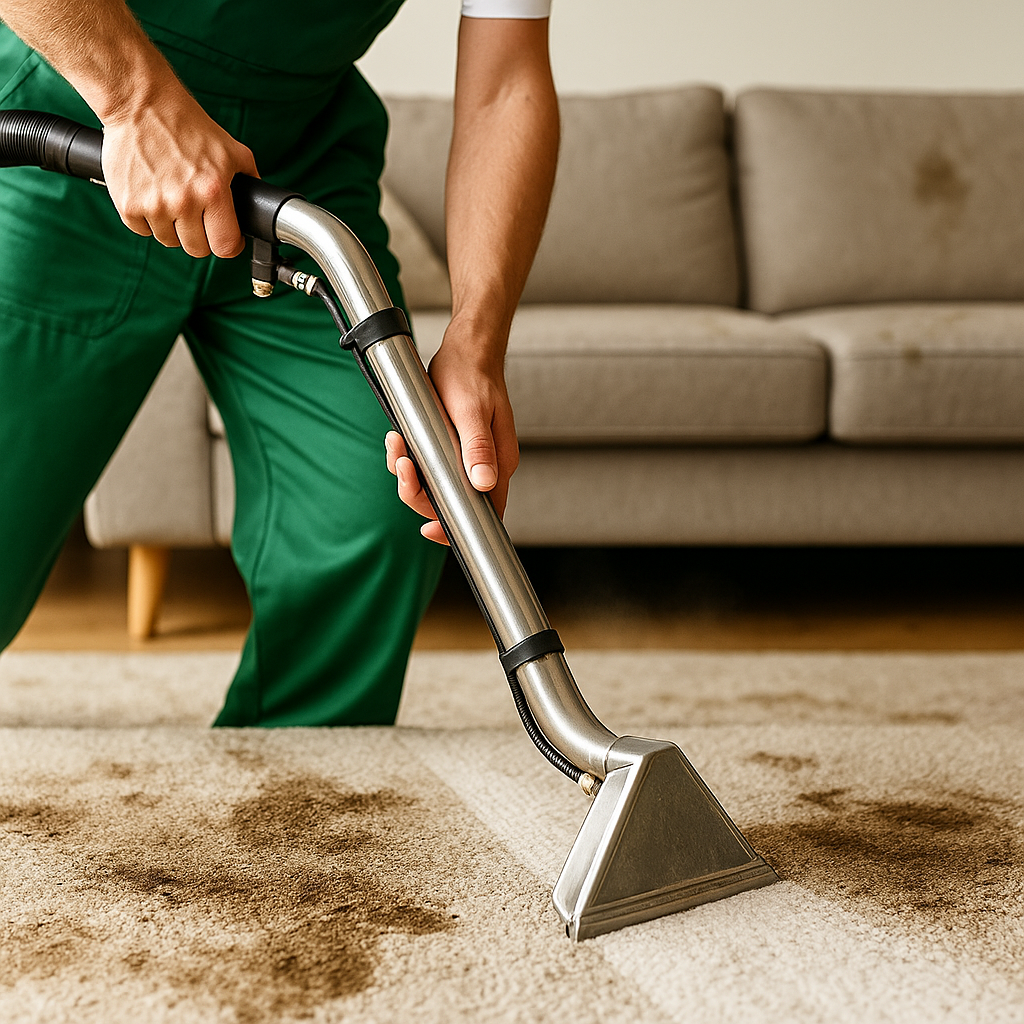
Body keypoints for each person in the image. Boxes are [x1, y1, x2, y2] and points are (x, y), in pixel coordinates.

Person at [0, 0, 559, 725]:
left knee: (385, 492)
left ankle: (294, 799)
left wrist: (477, 341)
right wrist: (138, 99)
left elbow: (506, 81)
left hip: (292, 163)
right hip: (72, 124)